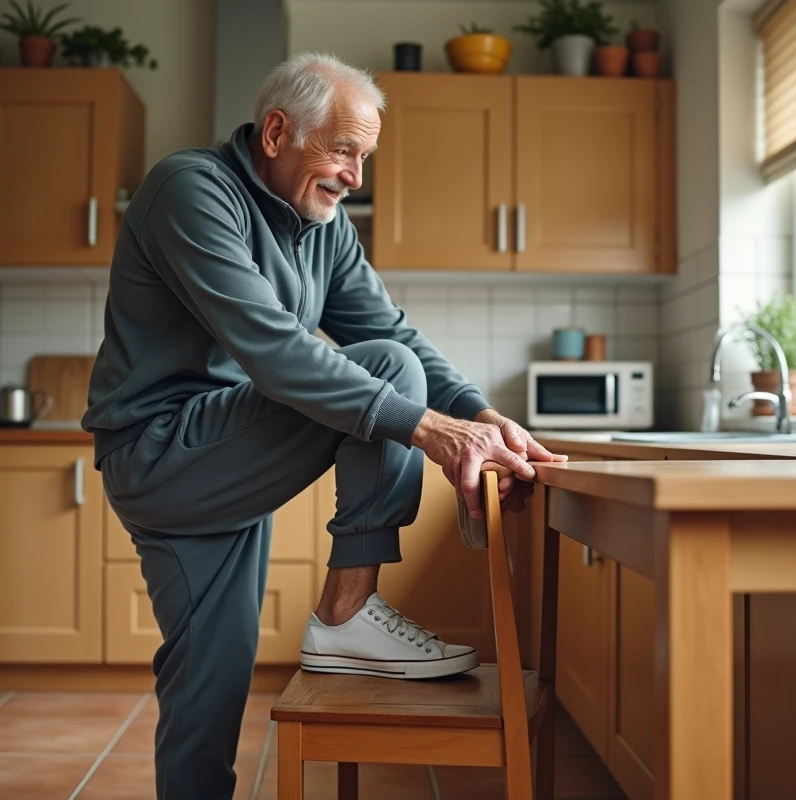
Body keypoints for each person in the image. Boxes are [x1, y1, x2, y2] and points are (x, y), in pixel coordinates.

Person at [82, 52, 566, 798]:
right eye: (343, 151)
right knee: (387, 378)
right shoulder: (191, 191)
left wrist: (481, 415)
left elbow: (394, 333)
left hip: (227, 454)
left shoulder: (325, 229)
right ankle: (347, 613)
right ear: (277, 131)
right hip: (165, 450)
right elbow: (276, 352)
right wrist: (430, 431)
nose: (354, 177)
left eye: (363, 158)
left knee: (208, 688)